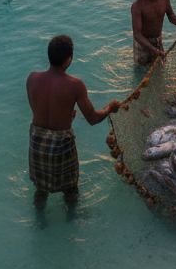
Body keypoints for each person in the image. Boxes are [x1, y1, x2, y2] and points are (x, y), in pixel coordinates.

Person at [27, 34, 120, 206]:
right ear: (69, 59)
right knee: (70, 188)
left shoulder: (32, 78)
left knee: (40, 188)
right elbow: (92, 118)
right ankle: (72, 219)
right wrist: (109, 108)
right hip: (61, 143)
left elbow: (36, 107)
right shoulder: (75, 85)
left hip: (37, 139)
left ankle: (41, 222)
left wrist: (62, 116)